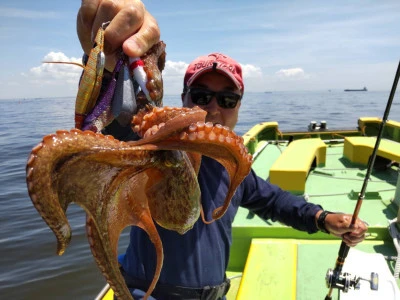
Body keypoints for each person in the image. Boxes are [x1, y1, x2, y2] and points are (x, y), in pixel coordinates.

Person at [77, 1, 368, 299]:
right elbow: (114, 122)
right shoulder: (152, 150)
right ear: (184, 98)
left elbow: (273, 201)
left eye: (227, 99)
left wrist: (322, 218)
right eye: (202, 95)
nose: (214, 108)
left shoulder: (233, 167)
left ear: (239, 106)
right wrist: (106, 61)